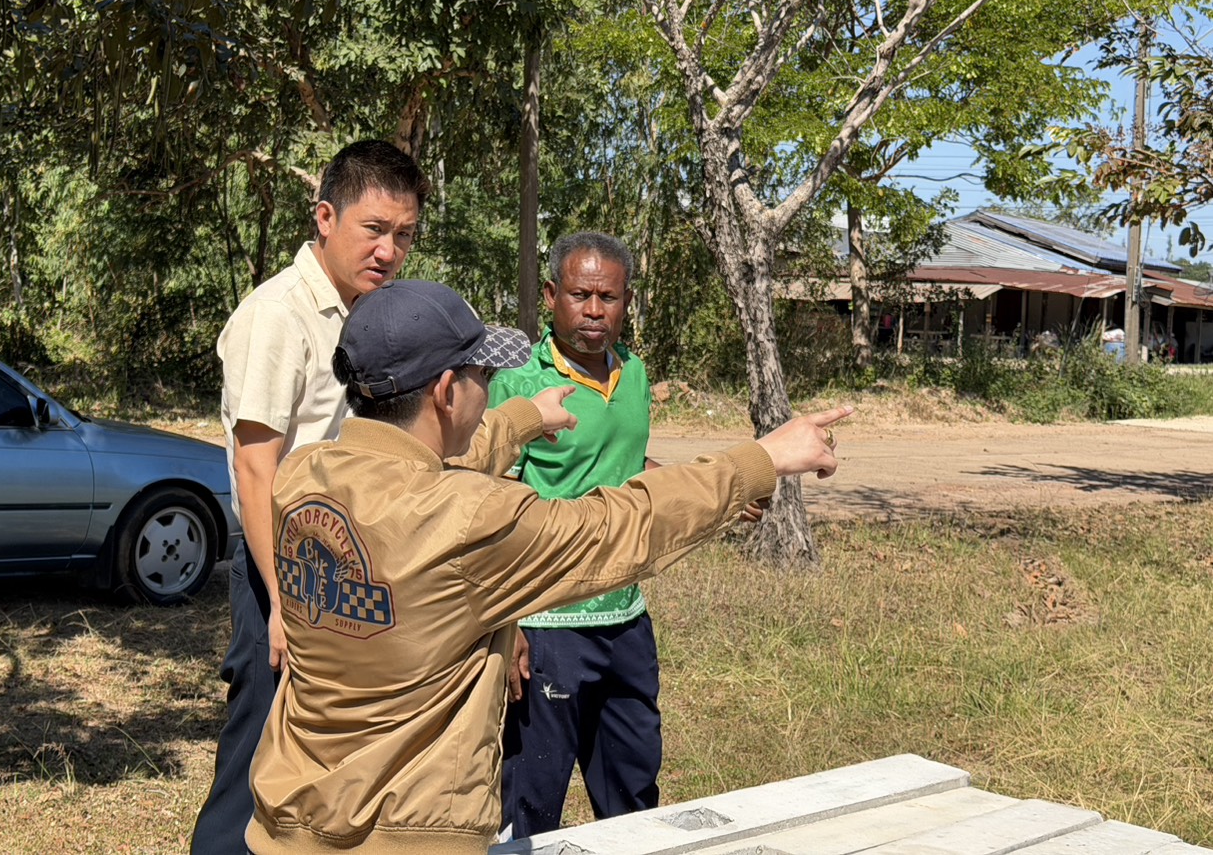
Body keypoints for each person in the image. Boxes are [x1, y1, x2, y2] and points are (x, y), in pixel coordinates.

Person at [245, 278, 849, 854]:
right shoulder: (470, 521)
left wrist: (524, 418)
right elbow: (619, 527)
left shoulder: (304, 477)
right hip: (406, 836)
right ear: (447, 392)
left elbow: (419, 469)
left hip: (286, 826)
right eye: (484, 376)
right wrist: (760, 459)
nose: (489, 391)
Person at [191, 140, 430, 855]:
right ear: (325, 218)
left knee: (327, 758)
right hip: (283, 568)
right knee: (258, 755)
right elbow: (254, 468)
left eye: (404, 235)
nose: (389, 251)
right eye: (374, 229)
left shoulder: (370, 313)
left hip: (348, 565)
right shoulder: (278, 315)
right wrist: (282, 603)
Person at [491, 231, 716, 839]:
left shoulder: (634, 374)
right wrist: (507, 625)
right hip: (547, 625)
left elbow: (628, 471)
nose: (593, 310)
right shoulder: (518, 386)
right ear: (550, 296)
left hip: (625, 617)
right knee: (530, 803)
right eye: (579, 295)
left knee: (634, 794)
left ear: (627, 301)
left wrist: (710, 492)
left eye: (608, 297)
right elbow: (492, 510)